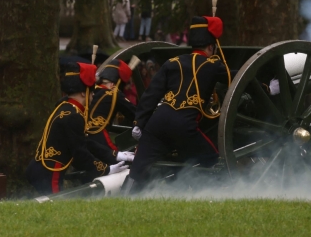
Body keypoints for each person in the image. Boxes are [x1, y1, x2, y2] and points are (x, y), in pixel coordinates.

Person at [123, 16, 229, 192]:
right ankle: (216, 192)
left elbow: (151, 95)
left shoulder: (172, 62)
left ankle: (122, 199)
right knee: (212, 158)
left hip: (156, 123)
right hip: (184, 126)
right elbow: (238, 77)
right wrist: (267, 86)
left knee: (137, 170)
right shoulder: (212, 65)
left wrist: (139, 123)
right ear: (211, 47)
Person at [26, 62, 115, 195]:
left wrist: (115, 155)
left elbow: (83, 143)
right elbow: (80, 155)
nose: (93, 97)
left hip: (41, 168)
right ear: (83, 93)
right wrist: (106, 170)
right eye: (91, 92)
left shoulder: (63, 105)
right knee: (55, 209)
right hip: (50, 171)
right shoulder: (74, 116)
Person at [85, 61, 137, 167]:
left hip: (82, 136)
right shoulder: (114, 94)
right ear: (114, 84)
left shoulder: (90, 91)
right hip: (100, 138)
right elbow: (134, 114)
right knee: (121, 163)